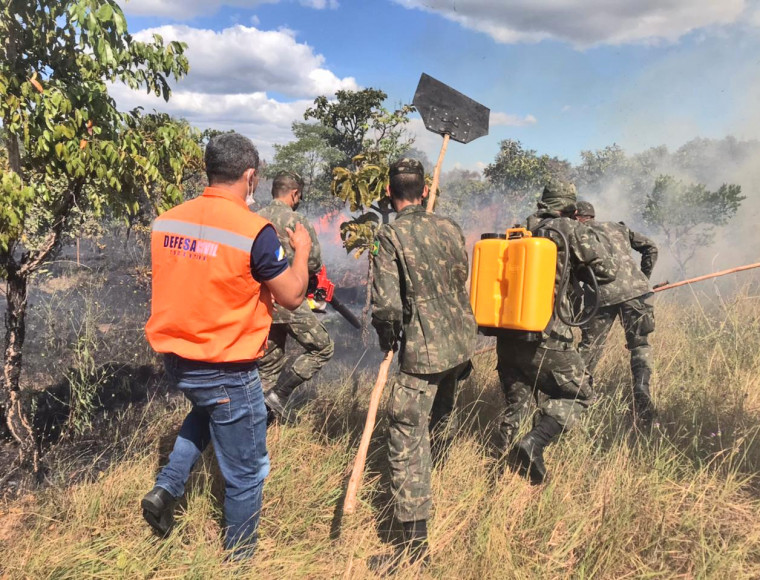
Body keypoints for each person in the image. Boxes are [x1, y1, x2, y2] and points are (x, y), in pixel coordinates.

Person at [141, 133, 312, 559]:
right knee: (247, 471)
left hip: (179, 358)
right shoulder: (256, 231)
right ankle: (240, 560)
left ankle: (166, 489)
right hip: (225, 367)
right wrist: (302, 253)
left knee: (205, 408)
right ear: (250, 176)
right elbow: (291, 295)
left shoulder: (168, 221)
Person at [370, 158, 477, 570]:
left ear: (390, 192)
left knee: (407, 440)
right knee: (439, 420)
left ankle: (413, 553)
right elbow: (460, 275)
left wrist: (387, 339)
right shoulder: (449, 227)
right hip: (459, 344)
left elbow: (387, 307)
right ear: (423, 190)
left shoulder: (390, 235)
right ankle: (439, 481)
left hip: (424, 354)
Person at [495, 181, 615, 484]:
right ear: (571, 206)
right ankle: (535, 442)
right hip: (549, 336)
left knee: (517, 403)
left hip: (508, 336)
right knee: (581, 395)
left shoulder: (521, 229)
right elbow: (606, 270)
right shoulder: (569, 228)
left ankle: (499, 469)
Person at [257, 171, 334, 421]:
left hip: (260, 303)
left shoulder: (254, 219)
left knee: (269, 363)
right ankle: (279, 395)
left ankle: (257, 421)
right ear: (294, 193)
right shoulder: (298, 221)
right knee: (323, 348)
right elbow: (313, 262)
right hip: (288, 300)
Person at [574, 200, 659, 426]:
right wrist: (643, 278)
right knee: (640, 345)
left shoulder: (575, 233)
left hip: (601, 298)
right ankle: (642, 391)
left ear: (576, 216)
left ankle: (579, 399)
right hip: (635, 293)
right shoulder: (617, 227)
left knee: (590, 347)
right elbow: (651, 247)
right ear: (592, 215)